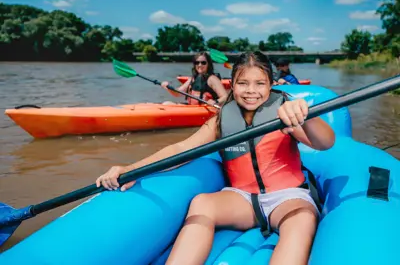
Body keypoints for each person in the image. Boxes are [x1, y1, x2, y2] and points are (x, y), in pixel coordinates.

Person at [95, 51, 335, 265]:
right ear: (232, 85)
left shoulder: (284, 111)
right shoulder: (221, 120)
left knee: (302, 219)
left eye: (260, 83)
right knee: (202, 203)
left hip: (287, 197)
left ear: (271, 84)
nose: (251, 91)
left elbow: (325, 143)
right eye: (243, 83)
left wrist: (306, 116)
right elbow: (181, 148)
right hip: (242, 199)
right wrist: (132, 169)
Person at [160, 52, 228, 106]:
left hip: (206, 110)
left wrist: (215, 102)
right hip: (192, 108)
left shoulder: (212, 79)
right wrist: (168, 87)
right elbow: (177, 93)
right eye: (197, 62)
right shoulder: (192, 79)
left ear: (208, 64)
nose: (200, 65)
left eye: (203, 63)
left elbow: (225, 96)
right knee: (166, 103)